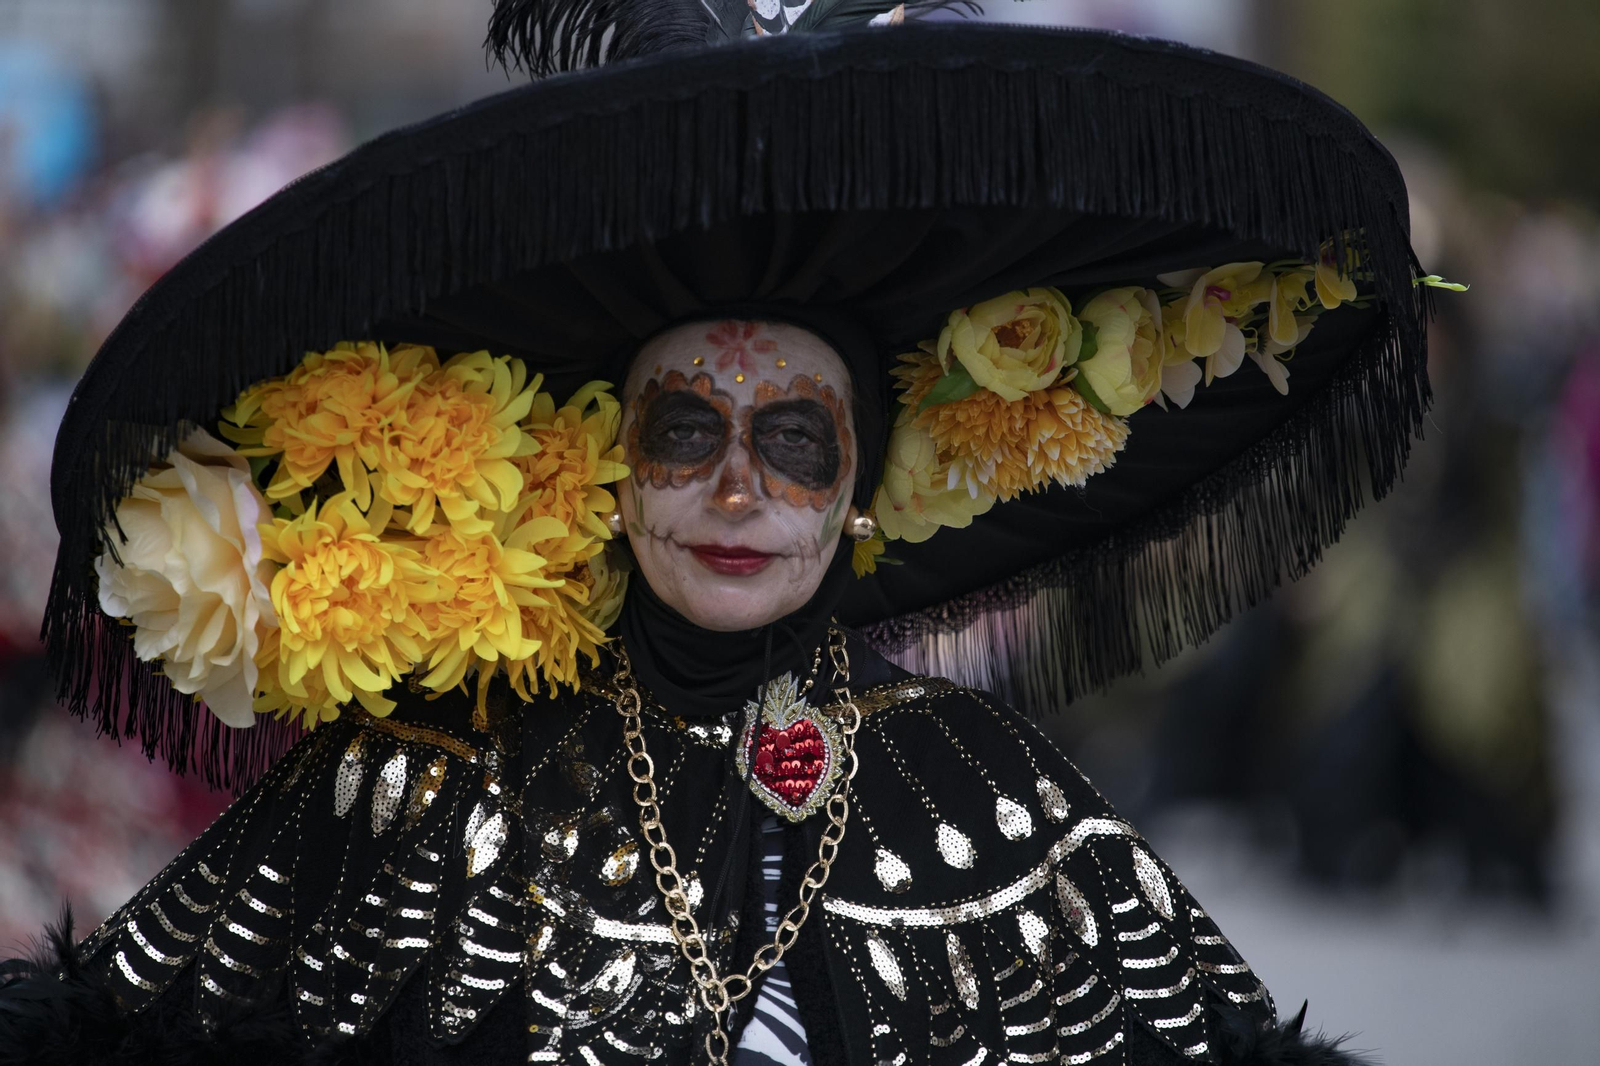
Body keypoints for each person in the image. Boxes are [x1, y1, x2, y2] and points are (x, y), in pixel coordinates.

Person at [1, 3, 1447, 1062]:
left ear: (865, 483)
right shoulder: (416, 778)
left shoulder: (991, 790)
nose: (740, 491)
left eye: (796, 440)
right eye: (686, 432)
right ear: (607, 469)